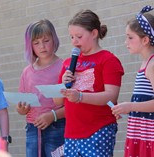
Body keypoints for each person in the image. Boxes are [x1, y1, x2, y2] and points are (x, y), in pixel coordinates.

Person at [54, 9, 124, 157]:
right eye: (71, 37)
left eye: (79, 36)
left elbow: (111, 95)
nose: (74, 41)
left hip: (98, 129)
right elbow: (57, 100)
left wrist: (80, 97)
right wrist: (62, 83)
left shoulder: (107, 60)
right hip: (71, 133)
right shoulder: (68, 63)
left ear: (94, 33)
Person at [16, 19, 65, 157]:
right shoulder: (27, 72)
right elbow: (21, 108)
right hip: (32, 129)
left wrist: (52, 116)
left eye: (46, 40)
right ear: (30, 46)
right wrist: (21, 109)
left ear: (54, 39)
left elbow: (72, 105)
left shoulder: (64, 67)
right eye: (36, 43)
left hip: (57, 126)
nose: (42, 46)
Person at [111, 5, 154, 157]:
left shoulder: (152, 65)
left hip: (149, 137)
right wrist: (127, 109)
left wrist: (130, 106)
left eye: (130, 37)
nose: (125, 42)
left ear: (145, 40)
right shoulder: (145, 64)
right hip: (141, 135)